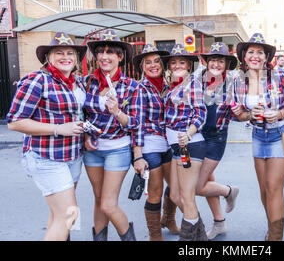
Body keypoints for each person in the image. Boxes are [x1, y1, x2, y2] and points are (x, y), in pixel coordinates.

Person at [7, 32, 87, 240]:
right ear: (47, 58)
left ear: (76, 59)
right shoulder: (37, 80)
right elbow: (15, 122)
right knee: (69, 213)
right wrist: (58, 128)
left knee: (58, 214)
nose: (65, 56)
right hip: (46, 157)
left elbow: (77, 116)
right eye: (58, 52)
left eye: (70, 52)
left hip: (73, 156)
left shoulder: (77, 82)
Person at [231, 33, 284, 241]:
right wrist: (248, 115)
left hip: (283, 133)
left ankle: (275, 238)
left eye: (260, 52)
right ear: (244, 57)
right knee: (264, 190)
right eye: (251, 52)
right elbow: (237, 116)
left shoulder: (279, 77)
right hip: (258, 135)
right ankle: (272, 228)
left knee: (273, 187)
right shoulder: (238, 82)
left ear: (266, 57)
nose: (255, 56)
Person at [83, 29, 141, 241]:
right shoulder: (88, 82)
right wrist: (85, 136)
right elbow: (81, 114)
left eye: (110, 52)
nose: (104, 56)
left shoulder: (131, 86)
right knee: (99, 200)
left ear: (120, 56)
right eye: (100, 52)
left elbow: (136, 123)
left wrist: (117, 112)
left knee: (108, 203)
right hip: (93, 151)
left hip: (118, 148)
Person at [131, 44, 181, 240]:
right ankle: (155, 234)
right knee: (155, 192)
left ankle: (168, 219)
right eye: (148, 62)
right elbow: (137, 123)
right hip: (150, 145)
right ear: (142, 67)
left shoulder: (170, 87)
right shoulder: (140, 88)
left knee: (175, 186)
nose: (153, 65)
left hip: (169, 143)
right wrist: (138, 155)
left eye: (157, 61)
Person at [161, 43, 208, 241]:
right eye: (174, 62)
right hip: (176, 147)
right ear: (169, 66)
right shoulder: (174, 86)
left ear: (189, 65)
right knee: (174, 196)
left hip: (188, 144)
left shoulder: (193, 84)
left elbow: (201, 113)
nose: (178, 65)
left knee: (187, 197)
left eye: (182, 61)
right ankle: (202, 237)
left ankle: (188, 240)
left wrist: (188, 134)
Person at [197, 42, 240, 240]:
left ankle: (229, 191)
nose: (215, 63)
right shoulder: (197, 80)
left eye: (220, 60)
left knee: (198, 186)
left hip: (216, 138)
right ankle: (219, 223)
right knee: (207, 180)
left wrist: (241, 113)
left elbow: (240, 112)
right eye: (212, 59)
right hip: (198, 135)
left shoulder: (233, 83)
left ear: (226, 64)